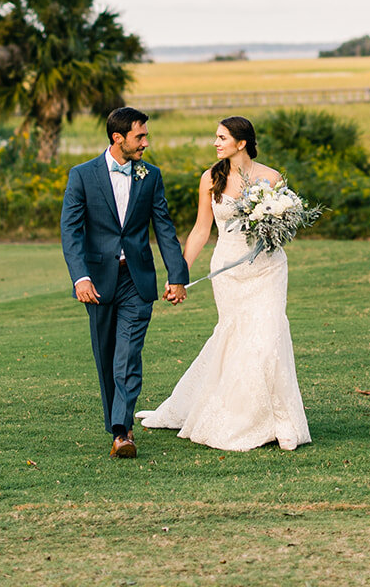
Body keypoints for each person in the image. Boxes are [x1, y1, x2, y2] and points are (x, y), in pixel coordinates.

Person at [136, 115, 311, 451]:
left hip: (267, 268)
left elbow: (283, 227)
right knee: (237, 337)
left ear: (241, 142)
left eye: (222, 137)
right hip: (228, 270)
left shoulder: (271, 178)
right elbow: (202, 230)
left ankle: (282, 422)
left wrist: (273, 224)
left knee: (270, 336)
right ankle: (239, 416)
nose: (216, 143)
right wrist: (179, 275)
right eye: (216, 138)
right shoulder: (210, 179)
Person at [60, 105, 189, 459]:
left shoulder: (151, 176)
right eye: (140, 136)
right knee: (106, 356)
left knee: (128, 355)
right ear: (118, 138)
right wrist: (80, 277)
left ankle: (123, 431)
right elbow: (70, 232)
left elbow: (164, 227)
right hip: (97, 282)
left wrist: (176, 276)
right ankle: (116, 423)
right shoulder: (82, 175)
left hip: (136, 278)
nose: (146, 142)